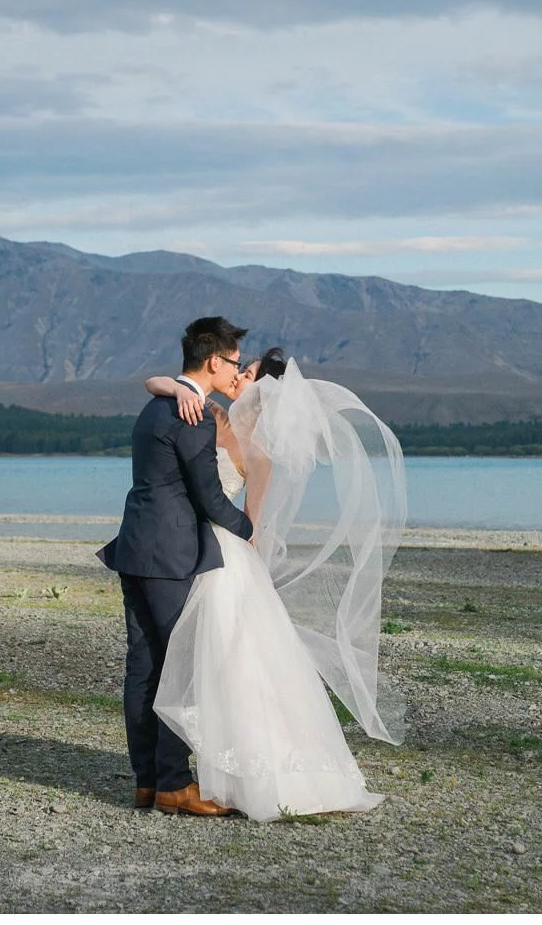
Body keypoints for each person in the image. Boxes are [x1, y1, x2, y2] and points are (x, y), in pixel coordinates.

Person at [144, 347, 407, 822]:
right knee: (213, 663)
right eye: (240, 371)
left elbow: (255, 523)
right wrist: (179, 385)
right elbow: (154, 383)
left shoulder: (258, 450)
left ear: (268, 395)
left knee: (229, 664)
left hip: (226, 559)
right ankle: (197, 773)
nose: (239, 378)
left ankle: (245, 775)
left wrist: (250, 569)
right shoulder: (216, 416)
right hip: (197, 552)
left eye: (247, 375)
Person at [96, 317, 254, 817]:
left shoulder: (156, 404)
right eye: (232, 362)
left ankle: (147, 781)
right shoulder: (193, 415)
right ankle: (173, 785)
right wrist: (250, 531)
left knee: (143, 666)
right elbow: (207, 494)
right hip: (169, 556)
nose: (234, 371)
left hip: (136, 546)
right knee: (179, 666)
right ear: (214, 360)